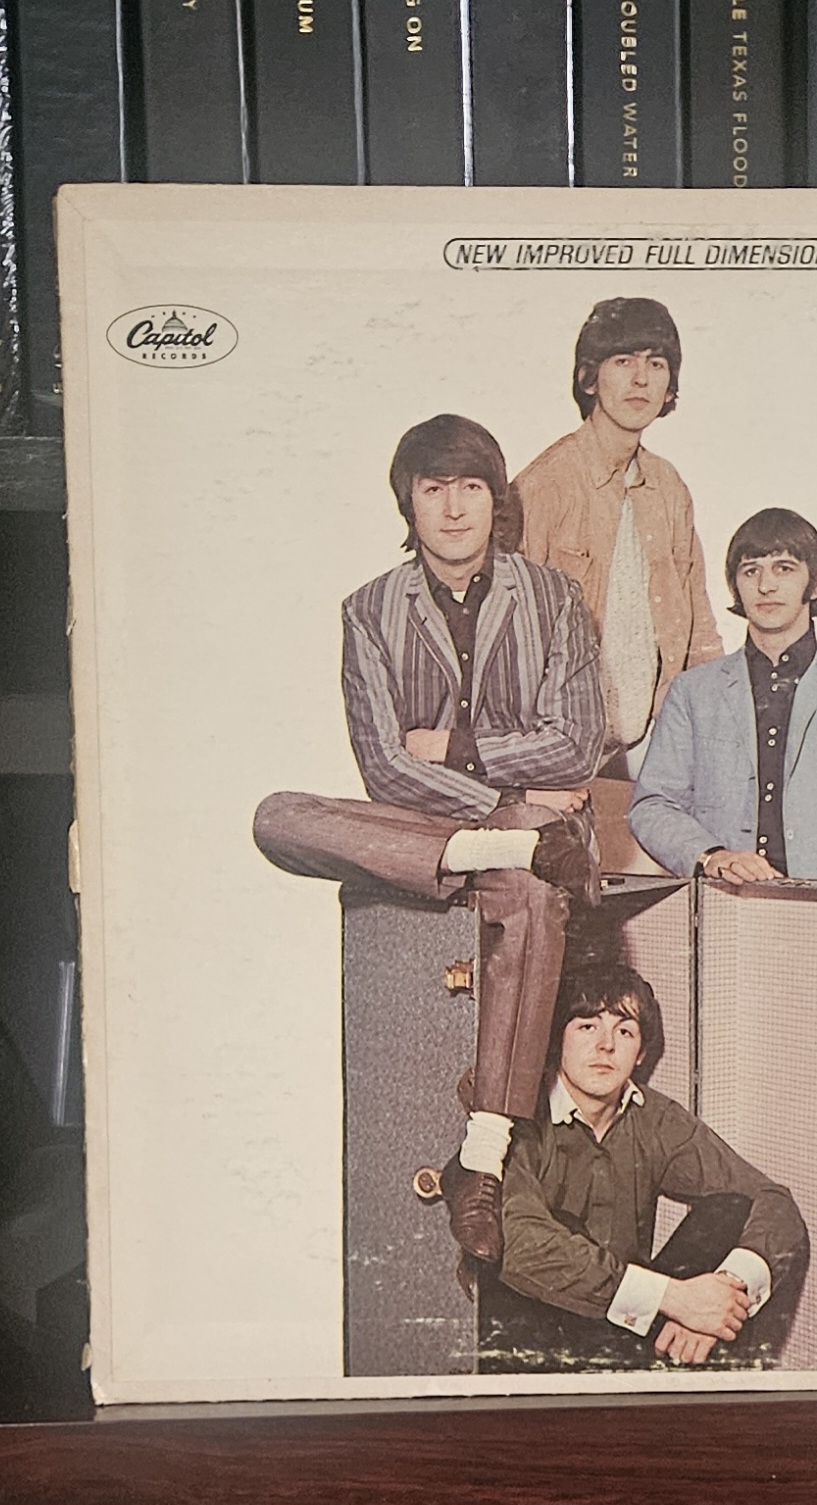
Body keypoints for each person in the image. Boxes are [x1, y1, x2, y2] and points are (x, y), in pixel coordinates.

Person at [251, 413, 604, 1266]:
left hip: (528, 833)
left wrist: (449, 748)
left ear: (495, 499)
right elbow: (382, 767)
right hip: (452, 829)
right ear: (408, 502)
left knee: (532, 888)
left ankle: (479, 1160)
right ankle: (503, 849)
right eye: (434, 488)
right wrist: (506, 801)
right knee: (275, 814)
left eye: (471, 487)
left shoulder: (554, 596)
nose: (453, 508)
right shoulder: (369, 610)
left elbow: (579, 742)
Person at [485, 963, 808, 1370]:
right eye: (587, 1027)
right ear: (557, 1041)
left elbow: (773, 1200)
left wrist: (720, 1296)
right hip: (534, 1332)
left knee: (733, 1206)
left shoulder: (654, 1118)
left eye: (624, 1031)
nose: (606, 1045)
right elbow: (519, 1241)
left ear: (640, 1053)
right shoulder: (520, 1118)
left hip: (627, 1326)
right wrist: (677, 1299)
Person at [629, 507, 817, 885]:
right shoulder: (691, 692)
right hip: (722, 904)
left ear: (815, 583)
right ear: (735, 585)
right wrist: (712, 856)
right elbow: (652, 805)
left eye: (784, 568)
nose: (766, 585)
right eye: (751, 571)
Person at [514, 297, 725, 772]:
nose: (641, 379)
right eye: (624, 361)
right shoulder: (544, 485)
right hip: (560, 751)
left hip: (648, 744)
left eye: (656, 363)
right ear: (590, 377)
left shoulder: (668, 486)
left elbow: (699, 627)